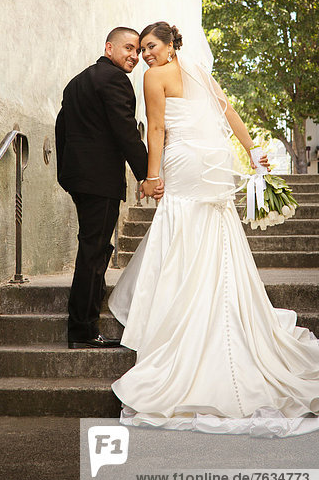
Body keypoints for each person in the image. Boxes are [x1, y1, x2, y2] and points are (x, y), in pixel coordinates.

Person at [108, 21, 319, 438]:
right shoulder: (200, 73)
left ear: (170, 46)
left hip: (184, 161)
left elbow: (156, 128)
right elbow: (229, 111)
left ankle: (178, 308)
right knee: (212, 229)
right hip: (211, 164)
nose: (147, 55)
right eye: (143, 49)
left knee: (181, 223)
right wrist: (252, 153)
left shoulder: (153, 77)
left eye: (152, 46)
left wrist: (152, 178)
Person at [55, 27, 163, 349]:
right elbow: (126, 133)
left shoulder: (78, 81)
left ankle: (83, 321)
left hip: (79, 179)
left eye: (137, 50)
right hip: (99, 181)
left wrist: (68, 174)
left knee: (92, 248)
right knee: (95, 251)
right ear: (109, 48)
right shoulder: (116, 80)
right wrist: (148, 175)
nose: (134, 55)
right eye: (128, 48)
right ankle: (83, 329)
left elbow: (63, 127)